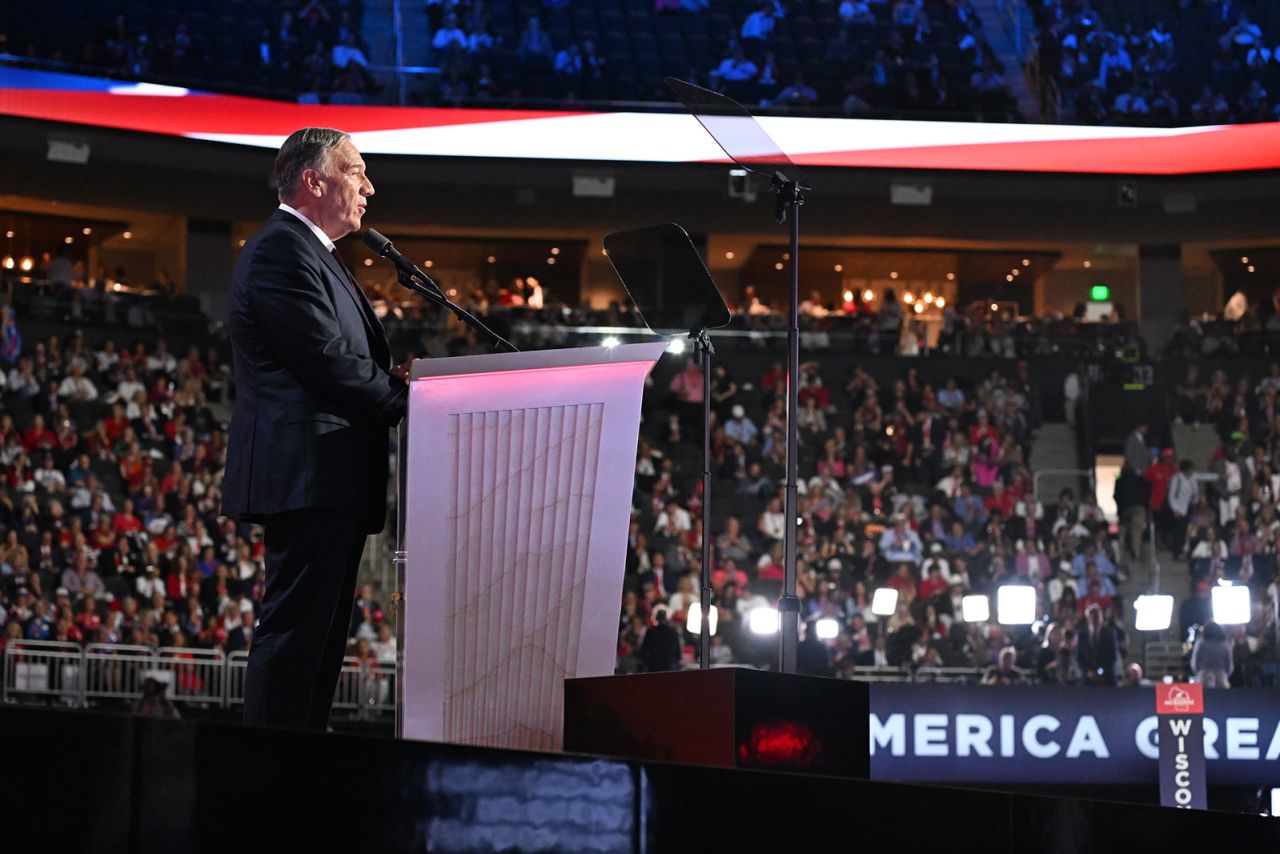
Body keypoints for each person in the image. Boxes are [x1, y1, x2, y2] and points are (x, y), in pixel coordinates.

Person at [223, 128, 408, 730]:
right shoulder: (281, 249)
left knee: (319, 639)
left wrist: (400, 381)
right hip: (307, 474)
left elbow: (338, 355)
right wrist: (404, 397)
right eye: (357, 171)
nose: (370, 187)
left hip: (327, 477)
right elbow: (323, 357)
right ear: (314, 181)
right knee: (296, 632)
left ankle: (299, 766)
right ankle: (268, 778)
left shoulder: (310, 252)